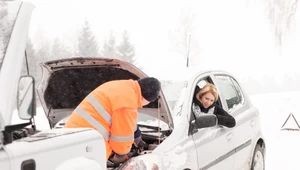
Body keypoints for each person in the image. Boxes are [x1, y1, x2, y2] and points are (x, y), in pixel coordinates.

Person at [64, 77, 161, 164]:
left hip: (71, 136)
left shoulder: (123, 87)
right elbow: (121, 138)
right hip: (88, 145)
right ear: (146, 99)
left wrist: (136, 133)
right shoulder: (128, 103)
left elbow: (124, 119)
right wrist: (121, 156)